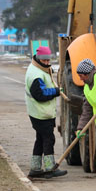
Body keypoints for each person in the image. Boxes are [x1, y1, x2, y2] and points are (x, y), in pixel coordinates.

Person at [24, 46, 67, 178]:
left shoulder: (38, 69)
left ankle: (35, 168)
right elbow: (41, 94)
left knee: (40, 140)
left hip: (38, 112)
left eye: (49, 60)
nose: (48, 63)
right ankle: (49, 168)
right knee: (48, 139)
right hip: (41, 113)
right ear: (39, 59)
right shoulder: (36, 75)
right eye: (45, 61)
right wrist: (56, 91)